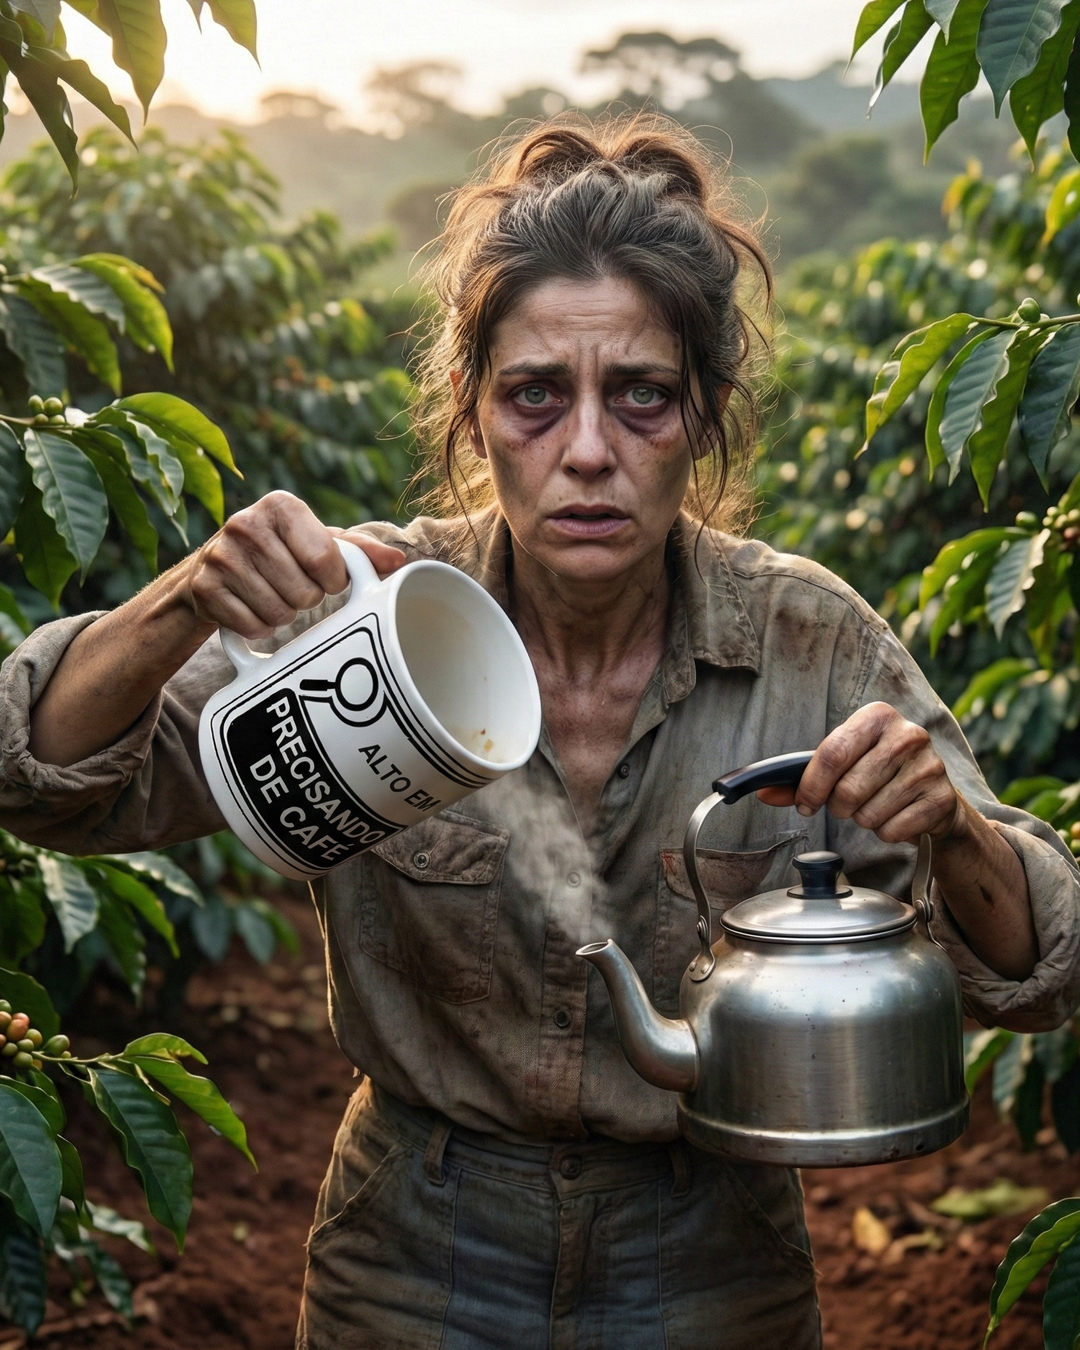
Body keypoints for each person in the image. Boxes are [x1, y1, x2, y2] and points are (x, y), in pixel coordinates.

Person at [2, 115, 1078, 1350]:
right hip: (413, 1255)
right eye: (535, 396)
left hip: (711, 1261)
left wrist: (949, 831)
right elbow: (42, 783)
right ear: (471, 410)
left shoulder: (808, 641)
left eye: (642, 396)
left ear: (706, 414)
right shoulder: (367, 621)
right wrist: (185, 599)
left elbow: (1043, 969)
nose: (588, 452)